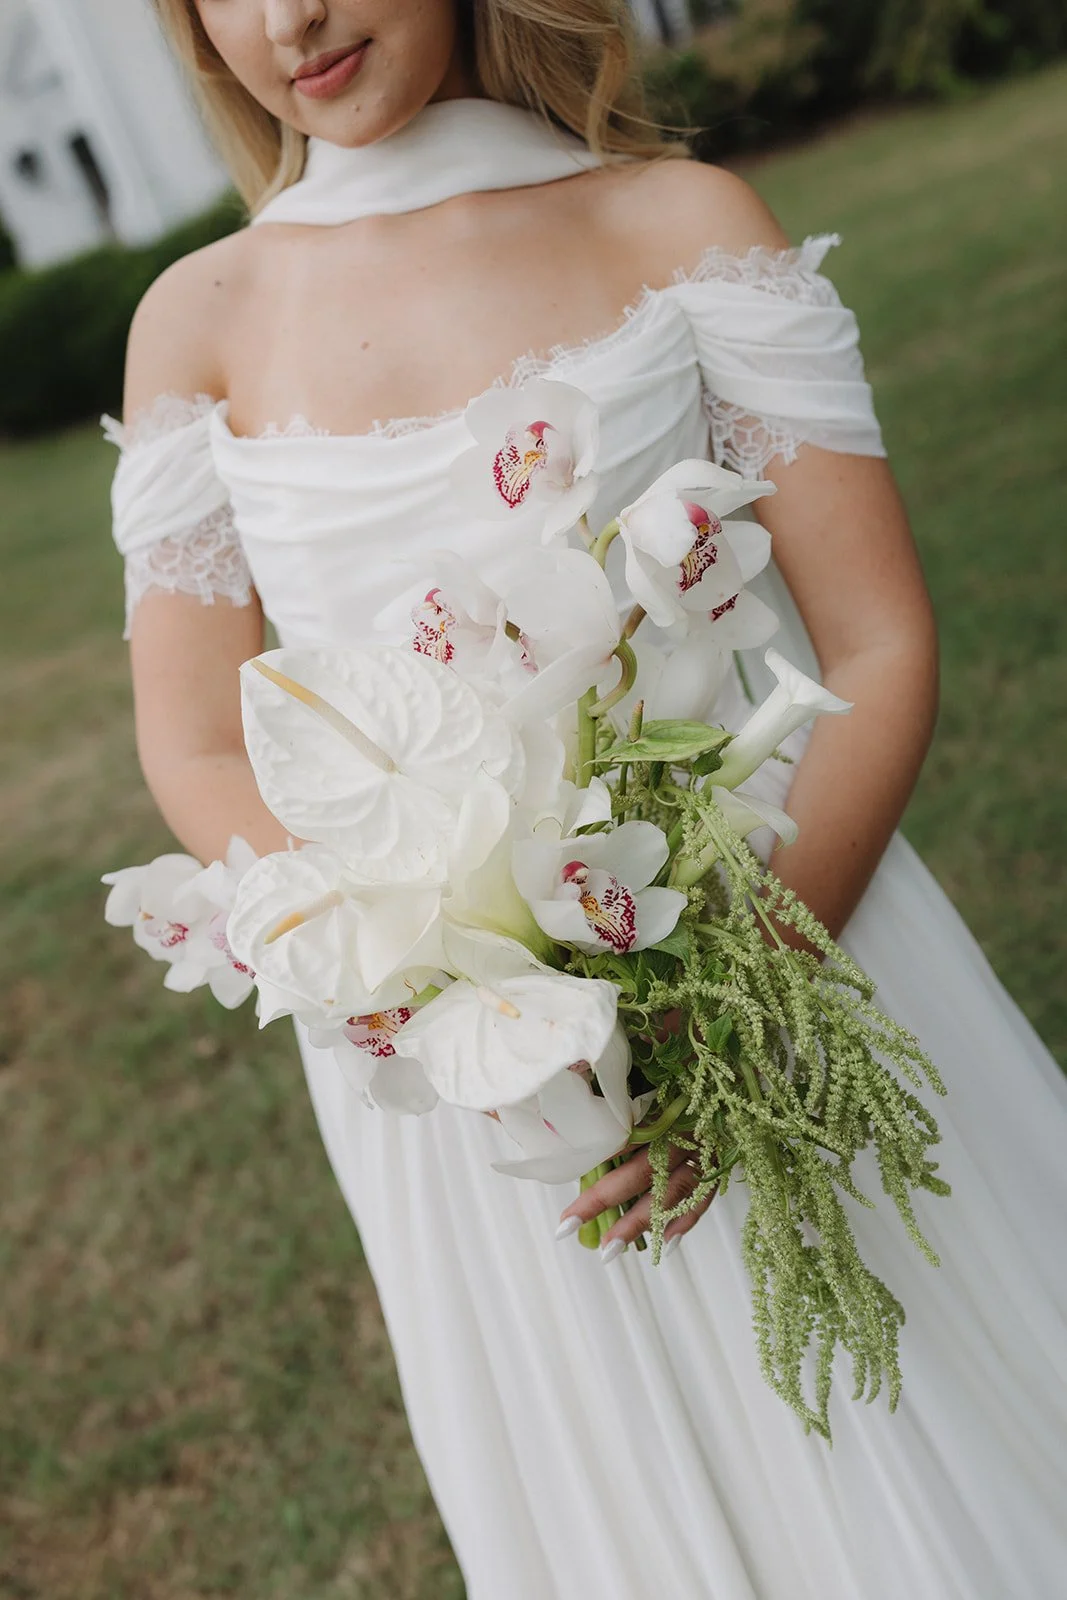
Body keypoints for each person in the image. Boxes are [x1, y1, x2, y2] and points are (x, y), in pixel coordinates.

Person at [106, 1, 1067, 1595]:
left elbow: (880, 637)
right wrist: (422, 970)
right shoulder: (198, 322)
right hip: (462, 1076)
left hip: (781, 949)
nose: (293, 20)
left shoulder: (678, 228)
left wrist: (740, 991)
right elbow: (196, 739)